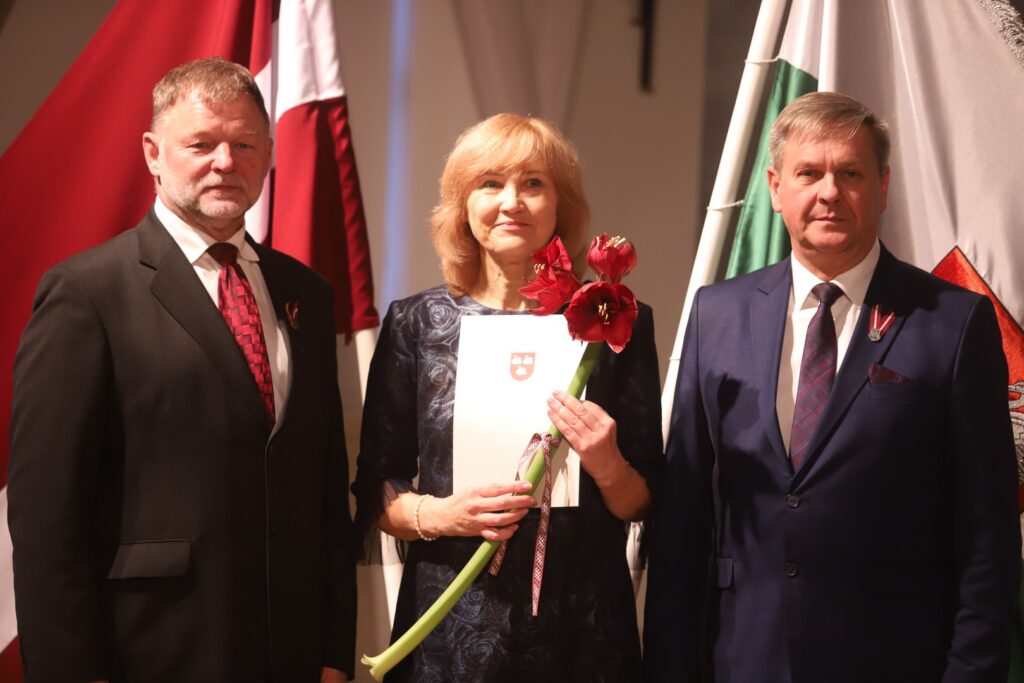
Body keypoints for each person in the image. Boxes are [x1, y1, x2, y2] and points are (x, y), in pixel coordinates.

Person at [643, 90, 1020, 682]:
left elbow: (988, 537)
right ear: (775, 187)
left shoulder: (954, 321)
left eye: (850, 173)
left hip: (896, 664)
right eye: (808, 173)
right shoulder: (717, 314)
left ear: (883, 186)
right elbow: (683, 525)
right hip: (743, 660)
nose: (829, 192)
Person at [7, 58, 356, 682]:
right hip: (149, 654)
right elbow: (46, 516)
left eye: (244, 144)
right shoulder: (86, 293)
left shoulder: (307, 292)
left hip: (293, 655)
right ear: (153, 153)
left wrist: (334, 652)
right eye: (201, 144)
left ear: (268, 155)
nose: (225, 162)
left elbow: (324, 483)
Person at [352, 113, 662, 681]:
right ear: (463, 205)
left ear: (561, 204)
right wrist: (442, 514)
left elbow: (644, 501)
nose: (511, 202)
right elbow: (376, 486)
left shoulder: (614, 320)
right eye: (490, 184)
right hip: (451, 629)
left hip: (582, 630)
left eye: (533, 183)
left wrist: (607, 464)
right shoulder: (416, 323)